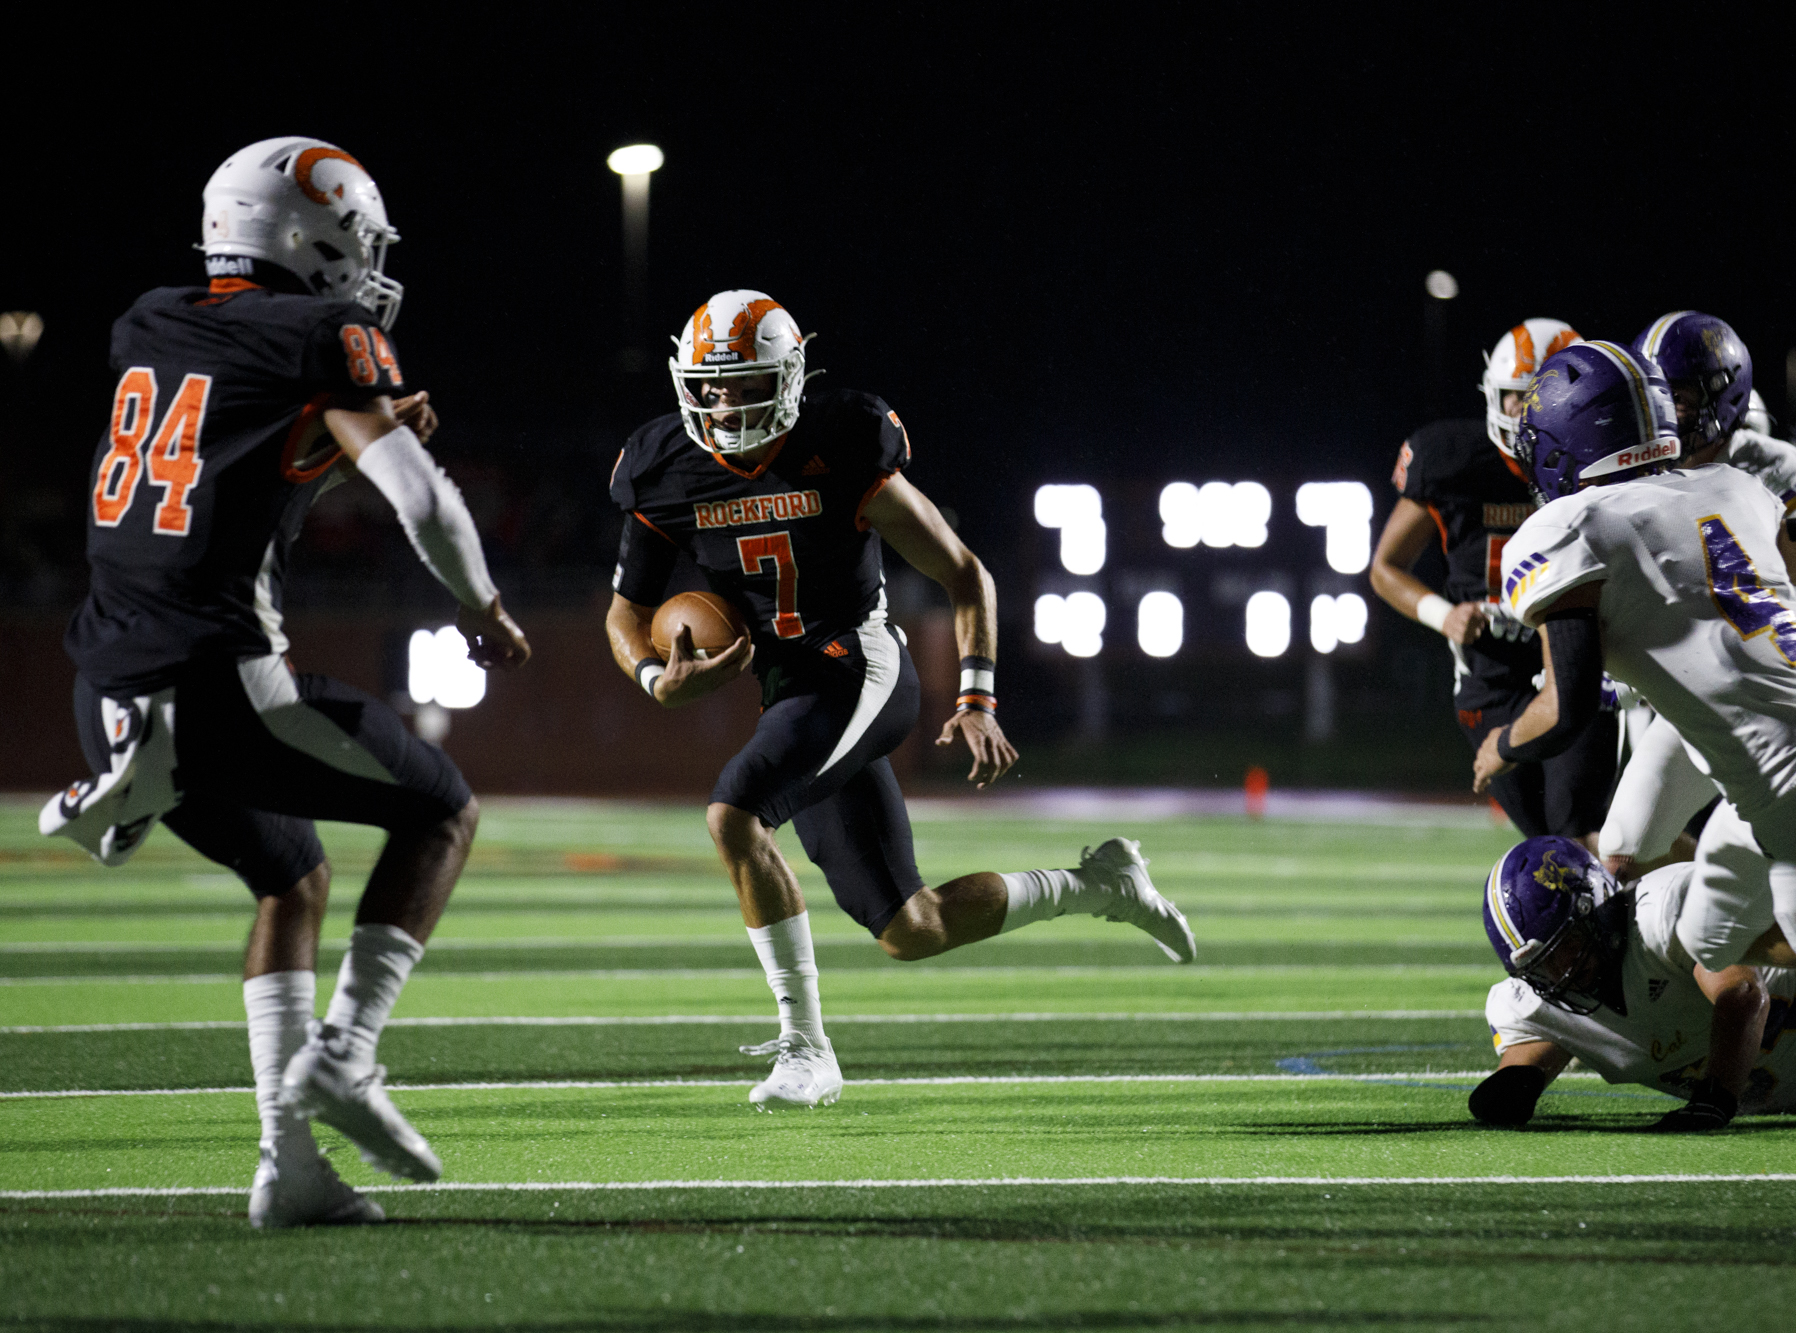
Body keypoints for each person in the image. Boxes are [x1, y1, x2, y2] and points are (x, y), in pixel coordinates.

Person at [39, 139, 530, 1227]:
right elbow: (428, 505)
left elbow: (235, 451)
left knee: (292, 876)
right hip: (218, 683)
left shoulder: (149, 321)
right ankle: (346, 1055)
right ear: (309, 241)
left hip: (105, 681)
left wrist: (335, 430)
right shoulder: (325, 332)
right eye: (357, 243)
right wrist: (485, 608)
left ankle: (287, 1167)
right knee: (442, 811)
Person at [604, 290, 1195, 1111]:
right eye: (714, 384)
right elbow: (626, 610)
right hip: (789, 692)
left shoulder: (841, 442)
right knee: (911, 928)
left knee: (734, 815)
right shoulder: (662, 464)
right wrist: (649, 677)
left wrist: (979, 695)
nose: (728, 402)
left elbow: (964, 572)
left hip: (860, 664)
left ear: (791, 376)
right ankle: (1102, 884)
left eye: (748, 383)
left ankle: (807, 1050)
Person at [1477, 338, 1796, 1092]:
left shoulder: (1566, 532)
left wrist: (1500, 741)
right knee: (1701, 931)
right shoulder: (1730, 486)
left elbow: (1563, 710)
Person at [1472, 837, 1796, 1128]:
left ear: (1598, 908)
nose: (1562, 974)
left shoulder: (1658, 913)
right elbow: (1534, 1048)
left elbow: (1742, 994)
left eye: (1568, 950)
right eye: (1541, 968)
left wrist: (1715, 1099)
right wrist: (1511, 1090)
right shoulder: (1534, 997)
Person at [1596, 312, 1796, 882]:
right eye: (1653, 396)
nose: (1661, 414)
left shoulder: (1776, 469)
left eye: (1675, 397)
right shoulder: (1639, 464)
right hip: (1691, 684)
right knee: (1626, 852)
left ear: (1722, 396)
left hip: (1774, 680)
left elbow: (1739, 590)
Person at [1370, 319, 1618, 839]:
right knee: (1548, 843)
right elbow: (1385, 567)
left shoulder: (1604, 462)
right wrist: (1444, 615)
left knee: (1581, 832)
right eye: (1512, 398)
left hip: (1574, 664)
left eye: (1536, 398)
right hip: (1492, 677)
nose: (1520, 414)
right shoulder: (1452, 459)